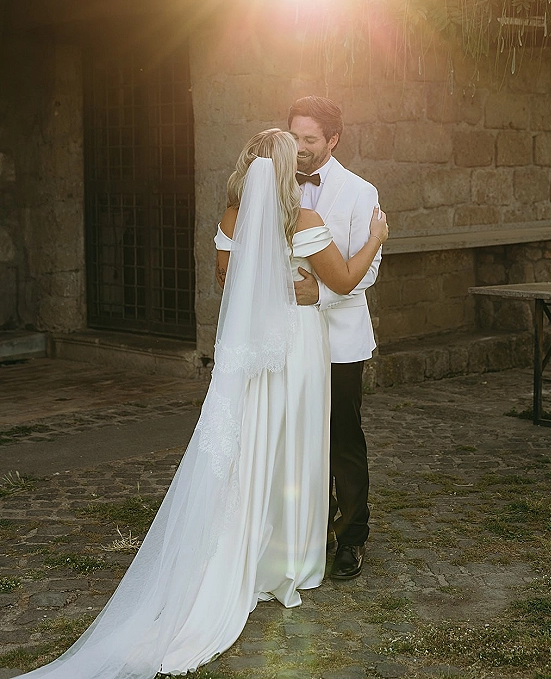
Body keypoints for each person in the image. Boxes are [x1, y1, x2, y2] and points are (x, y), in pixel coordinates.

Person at [17, 128, 388, 679]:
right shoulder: (306, 225)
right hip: (299, 345)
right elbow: (348, 277)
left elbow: (227, 281)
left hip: (255, 351)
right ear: (285, 172)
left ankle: (249, 544)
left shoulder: (233, 221)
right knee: (296, 444)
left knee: (255, 445)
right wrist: (376, 236)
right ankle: (291, 557)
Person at [288, 96, 381, 580]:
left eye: (310, 140)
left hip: (341, 336)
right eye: (295, 137)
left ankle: (351, 537)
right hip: (290, 337)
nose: (300, 148)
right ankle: (308, 531)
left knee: (343, 437)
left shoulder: (361, 192)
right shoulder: (278, 186)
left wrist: (317, 294)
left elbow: (368, 270)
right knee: (300, 436)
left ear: (333, 140)